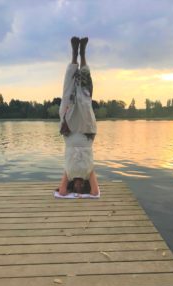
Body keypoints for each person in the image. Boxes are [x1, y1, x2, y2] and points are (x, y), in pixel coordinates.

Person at [58, 36, 99, 196]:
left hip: (70, 135)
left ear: (71, 187)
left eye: (77, 189)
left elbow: (61, 192)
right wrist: (90, 178)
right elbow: (95, 193)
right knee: (84, 99)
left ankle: (74, 55)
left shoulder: (68, 173)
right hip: (86, 136)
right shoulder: (89, 173)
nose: (79, 187)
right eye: (82, 188)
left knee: (67, 97)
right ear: (86, 186)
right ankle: (83, 54)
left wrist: (68, 187)